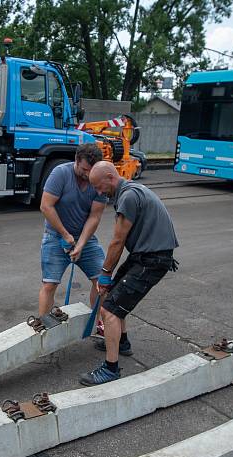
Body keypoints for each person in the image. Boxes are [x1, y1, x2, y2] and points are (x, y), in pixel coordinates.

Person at [80, 161, 179, 386]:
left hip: (153, 260)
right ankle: (122, 342)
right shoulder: (130, 190)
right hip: (145, 256)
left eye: (98, 186)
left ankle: (111, 369)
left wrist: (105, 273)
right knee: (114, 296)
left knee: (110, 310)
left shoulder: (128, 196)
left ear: (110, 178)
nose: (98, 192)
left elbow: (117, 240)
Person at [39, 143, 107, 317]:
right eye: (84, 169)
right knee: (49, 284)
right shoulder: (60, 173)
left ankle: (96, 323)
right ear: (76, 161)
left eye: (91, 171)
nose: (87, 175)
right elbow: (46, 206)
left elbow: (95, 216)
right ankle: (43, 329)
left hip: (85, 238)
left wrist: (81, 244)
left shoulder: (99, 179)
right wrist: (65, 235)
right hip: (56, 236)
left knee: (102, 281)